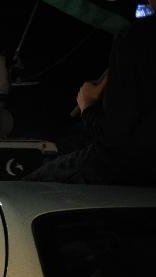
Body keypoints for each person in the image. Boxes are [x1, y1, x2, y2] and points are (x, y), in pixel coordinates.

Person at [25, 3, 156, 185]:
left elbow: (114, 138)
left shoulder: (136, 37)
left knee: (26, 187)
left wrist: (87, 106)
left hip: (126, 167)